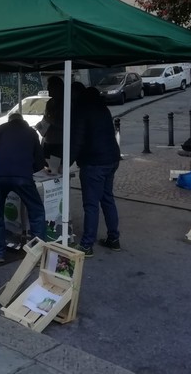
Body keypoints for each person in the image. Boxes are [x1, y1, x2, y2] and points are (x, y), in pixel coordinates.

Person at [0, 112, 46, 264]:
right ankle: (37, 254)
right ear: (23, 121)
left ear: (10, 120)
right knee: (37, 211)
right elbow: (40, 160)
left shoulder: (0, 129)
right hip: (22, 177)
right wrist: (28, 169)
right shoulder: (31, 132)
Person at [69, 86, 122, 257]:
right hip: (111, 158)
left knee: (91, 205)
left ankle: (86, 245)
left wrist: (65, 163)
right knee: (107, 199)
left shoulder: (82, 111)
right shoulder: (102, 108)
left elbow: (77, 140)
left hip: (94, 162)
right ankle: (114, 239)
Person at [37, 75, 64, 172]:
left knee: (57, 171)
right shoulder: (50, 102)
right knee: (47, 169)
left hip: (59, 143)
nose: (48, 89)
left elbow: (66, 125)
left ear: (58, 88)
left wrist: (51, 121)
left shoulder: (65, 103)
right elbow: (46, 117)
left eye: (50, 87)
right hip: (48, 140)